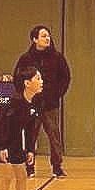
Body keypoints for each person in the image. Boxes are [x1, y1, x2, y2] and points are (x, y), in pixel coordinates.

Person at [14, 25, 71, 177]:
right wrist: (26, 97)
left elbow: (65, 78)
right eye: (43, 36)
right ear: (35, 39)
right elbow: (18, 78)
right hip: (32, 104)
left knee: (54, 135)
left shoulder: (57, 57)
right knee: (30, 135)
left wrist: (56, 94)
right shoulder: (26, 59)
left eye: (48, 36)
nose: (47, 38)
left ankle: (57, 166)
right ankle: (29, 167)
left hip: (50, 105)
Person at [0, 67, 46, 190]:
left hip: (16, 142)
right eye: (38, 78)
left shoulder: (35, 102)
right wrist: (2, 147)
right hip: (2, 142)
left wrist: (30, 149)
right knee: (7, 177)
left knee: (22, 176)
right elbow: (2, 125)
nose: (41, 81)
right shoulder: (15, 102)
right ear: (27, 83)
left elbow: (30, 128)